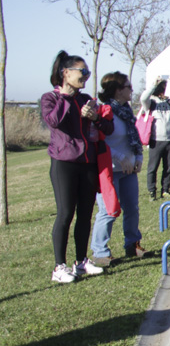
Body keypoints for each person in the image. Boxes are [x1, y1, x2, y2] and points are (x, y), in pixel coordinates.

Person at [41, 51, 113, 282]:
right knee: (65, 214)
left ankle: (81, 262)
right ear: (66, 73)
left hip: (87, 162)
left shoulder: (85, 99)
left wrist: (94, 117)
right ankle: (59, 267)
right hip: (64, 163)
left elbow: (107, 129)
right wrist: (65, 97)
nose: (86, 76)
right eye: (82, 72)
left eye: (87, 72)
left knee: (85, 214)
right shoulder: (50, 98)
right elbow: (53, 121)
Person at [90, 71, 149, 264]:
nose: (132, 90)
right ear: (117, 90)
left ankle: (132, 244)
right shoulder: (105, 112)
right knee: (108, 211)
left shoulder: (126, 111)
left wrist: (138, 156)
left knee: (132, 207)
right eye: (128, 87)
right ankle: (100, 252)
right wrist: (121, 157)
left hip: (128, 170)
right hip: (109, 170)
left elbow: (135, 137)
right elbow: (102, 141)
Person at [141, 79, 170, 200]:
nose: (165, 90)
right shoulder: (150, 102)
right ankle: (152, 191)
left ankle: (165, 190)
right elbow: (143, 98)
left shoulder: (169, 103)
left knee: (168, 168)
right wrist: (153, 84)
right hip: (156, 140)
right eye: (164, 88)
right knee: (153, 168)